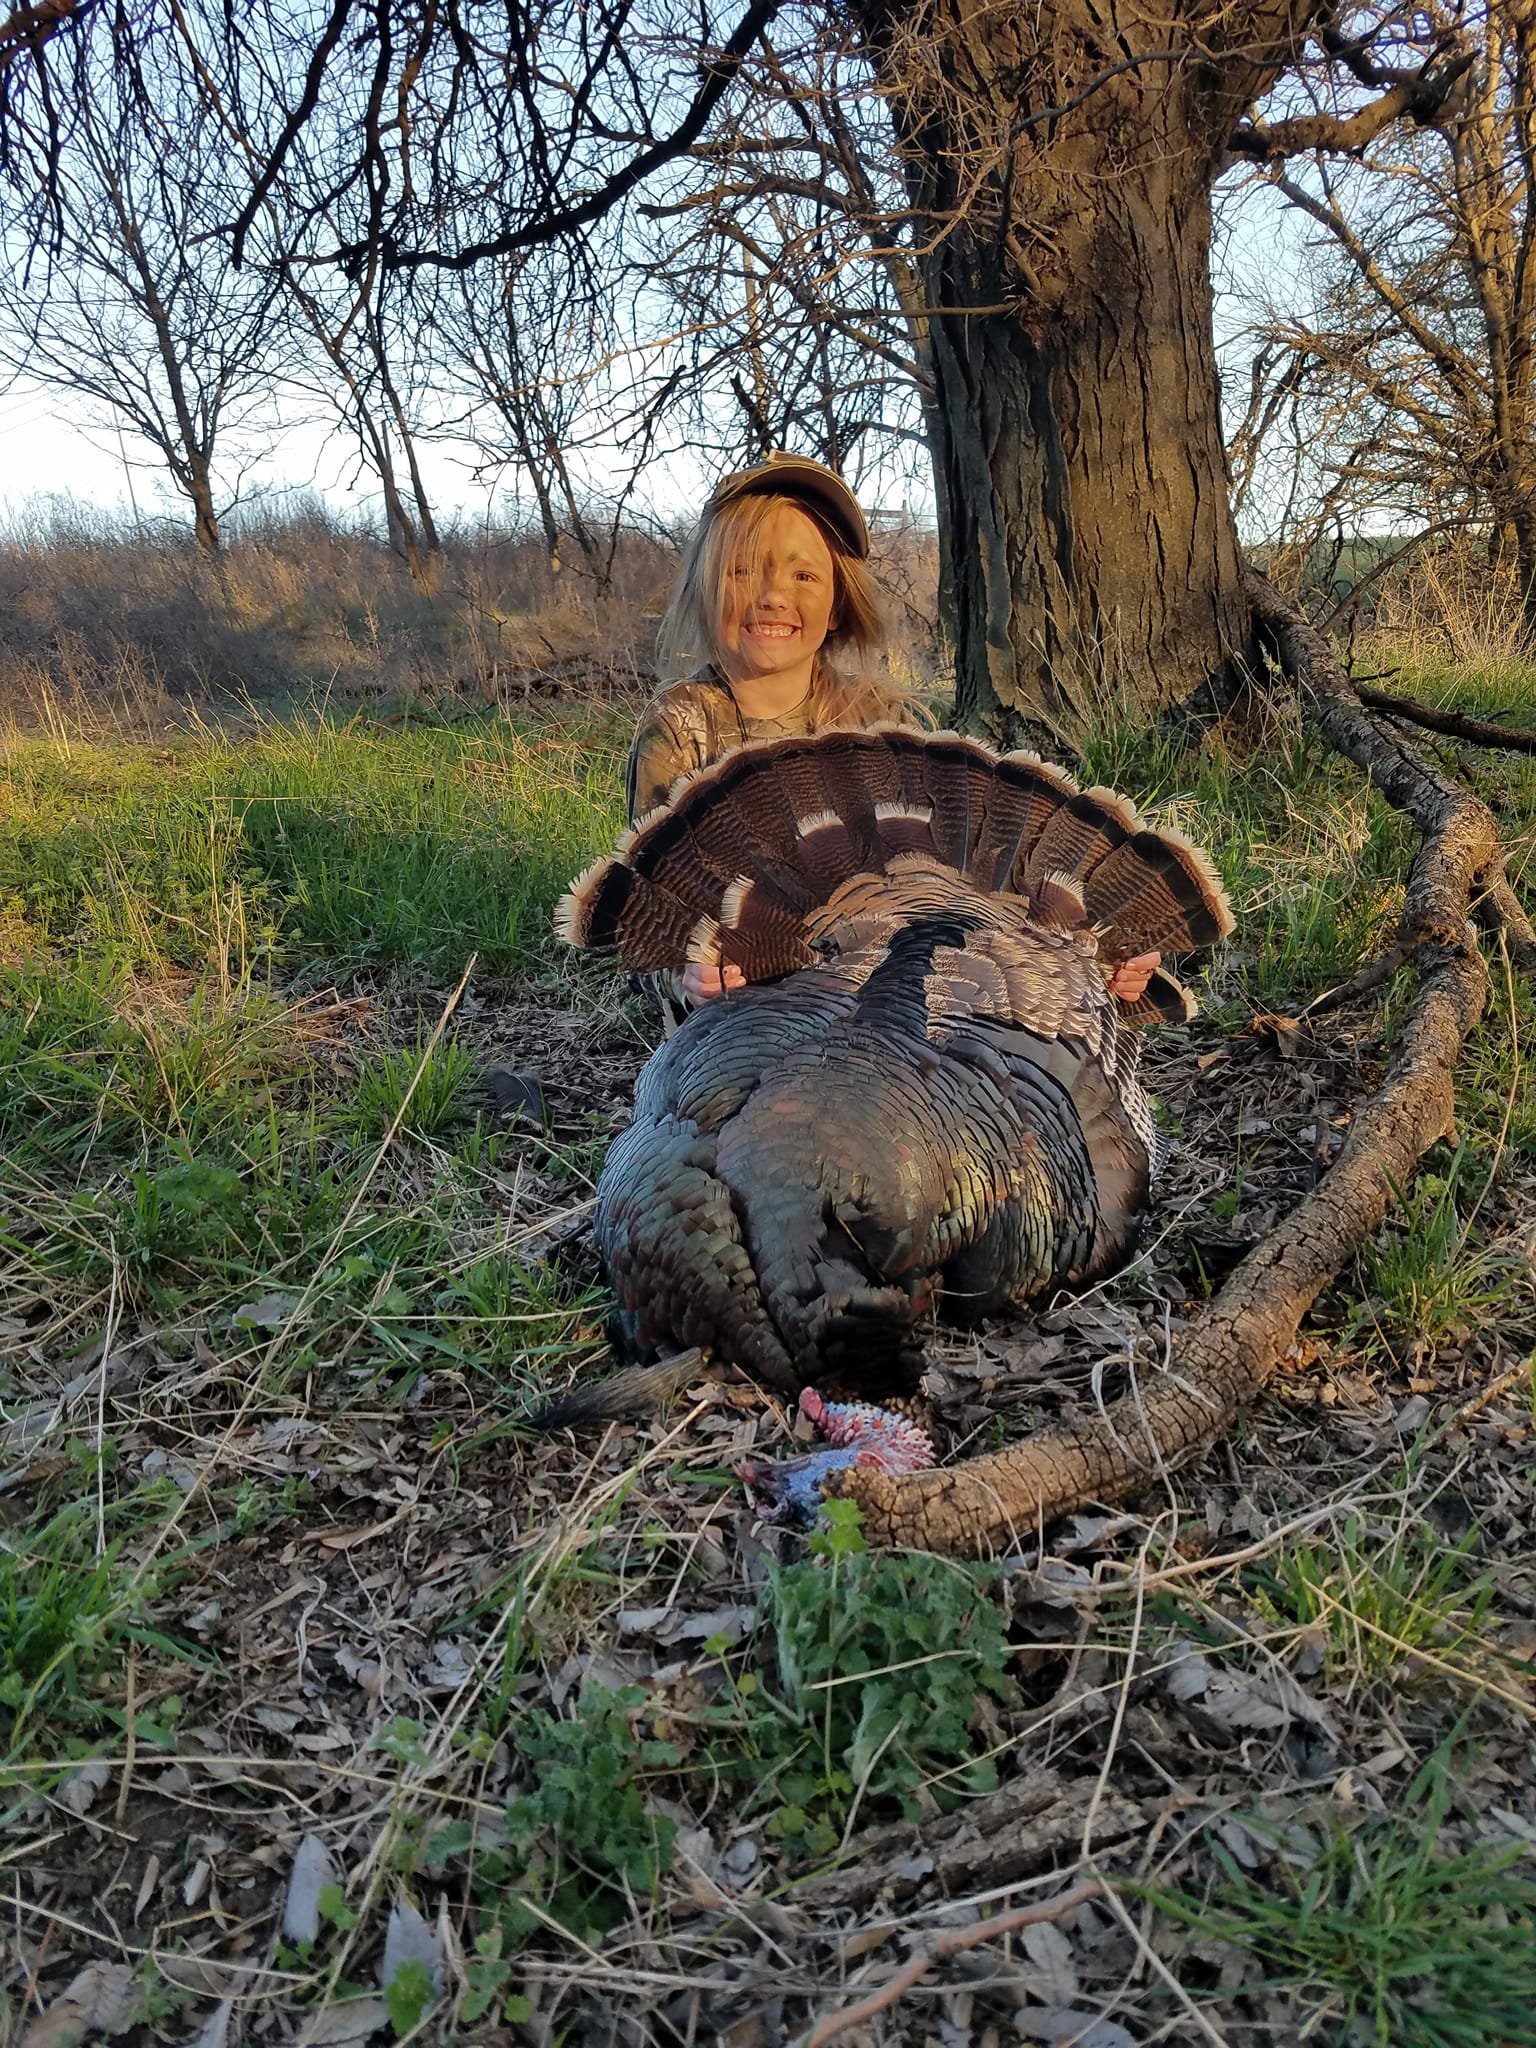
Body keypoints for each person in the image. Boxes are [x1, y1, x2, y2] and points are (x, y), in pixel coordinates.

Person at [627, 452, 1158, 1013]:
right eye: (741, 570)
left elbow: (961, 883)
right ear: (704, 589)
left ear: (837, 606)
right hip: (744, 1013)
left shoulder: (882, 719)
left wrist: (1092, 954)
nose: (772, 596)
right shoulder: (679, 729)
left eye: (804, 575)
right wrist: (687, 979)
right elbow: (645, 924)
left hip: (886, 993)